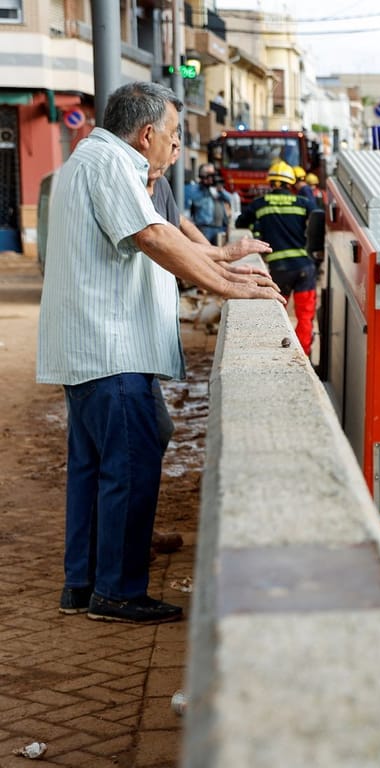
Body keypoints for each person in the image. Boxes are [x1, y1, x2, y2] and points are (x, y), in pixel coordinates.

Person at [37, 81, 283, 624]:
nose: (174, 147)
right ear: (147, 134)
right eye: (172, 135)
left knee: (93, 468)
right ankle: (118, 593)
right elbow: (153, 234)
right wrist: (226, 286)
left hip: (92, 347)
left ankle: (83, 584)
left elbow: (165, 235)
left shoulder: (90, 159)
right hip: (111, 348)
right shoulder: (112, 163)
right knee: (128, 468)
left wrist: (219, 262)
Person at [237, 160, 320, 355]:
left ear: (270, 182)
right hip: (304, 268)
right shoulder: (303, 203)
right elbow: (319, 218)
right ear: (290, 183)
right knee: (305, 317)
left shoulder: (260, 204)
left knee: (277, 315)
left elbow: (241, 221)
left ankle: (279, 352)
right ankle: (303, 355)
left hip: (279, 269)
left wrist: (258, 227)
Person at [185, 164, 231, 245]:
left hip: (220, 227)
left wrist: (220, 190)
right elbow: (193, 201)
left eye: (213, 174)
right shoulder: (195, 189)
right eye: (209, 174)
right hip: (204, 228)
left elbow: (229, 199)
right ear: (202, 175)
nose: (212, 177)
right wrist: (206, 187)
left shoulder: (217, 189)